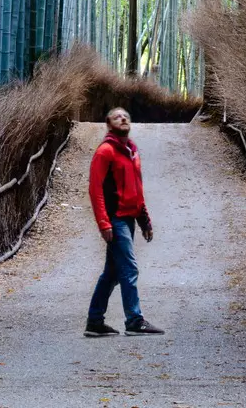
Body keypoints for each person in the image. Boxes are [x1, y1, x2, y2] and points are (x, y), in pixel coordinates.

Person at [84, 107, 164, 336]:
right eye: (117, 116)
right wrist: (104, 223)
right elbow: (95, 189)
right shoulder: (106, 151)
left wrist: (145, 220)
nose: (123, 118)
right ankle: (134, 321)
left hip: (128, 218)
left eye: (126, 116)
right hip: (115, 219)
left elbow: (136, 190)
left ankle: (94, 322)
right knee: (129, 268)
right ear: (108, 124)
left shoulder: (131, 151)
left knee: (112, 273)